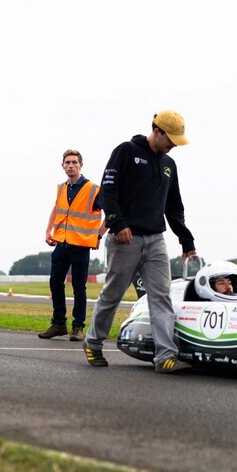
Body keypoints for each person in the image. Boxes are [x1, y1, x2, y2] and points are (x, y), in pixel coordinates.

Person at [83, 110, 196, 373]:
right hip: (125, 239)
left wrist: (186, 238)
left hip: (155, 240)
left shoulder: (169, 164)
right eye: (171, 140)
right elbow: (107, 191)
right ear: (157, 131)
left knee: (161, 297)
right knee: (112, 294)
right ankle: (93, 342)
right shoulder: (125, 151)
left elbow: (173, 206)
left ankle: (165, 357)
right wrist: (118, 223)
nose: (174, 146)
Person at [39, 149, 104, 342]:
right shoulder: (61, 188)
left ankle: (78, 327)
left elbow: (111, 212)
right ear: (63, 166)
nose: (71, 166)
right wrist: (48, 231)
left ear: (81, 165)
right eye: (67, 163)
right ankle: (59, 323)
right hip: (62, 241)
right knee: (55, 282)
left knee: (78, 286)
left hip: (81, 244)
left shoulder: (93, 188)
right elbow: (56, 208)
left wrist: (98, 236)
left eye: (74, 162)